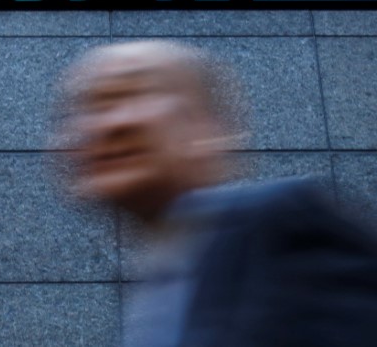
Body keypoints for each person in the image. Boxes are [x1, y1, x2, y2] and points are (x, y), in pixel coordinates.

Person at [56, 40, 377, 347]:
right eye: (91, 106)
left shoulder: (286, 226)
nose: (107, 124)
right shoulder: (163, 286)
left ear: (205, 126)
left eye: (131, 93)